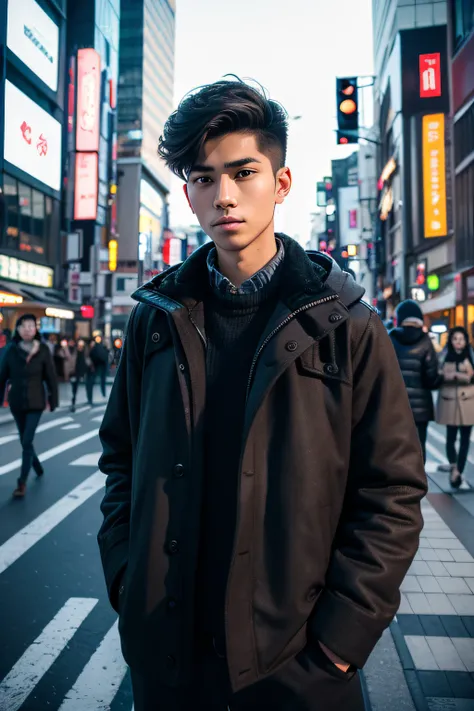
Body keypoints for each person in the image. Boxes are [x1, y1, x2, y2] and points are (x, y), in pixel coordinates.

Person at [97, 79, 426, 711]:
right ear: (188, 192)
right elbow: (121, 460)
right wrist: (127, 578)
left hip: (297, 664)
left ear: (281, 183)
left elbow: (391, 490)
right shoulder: (156, 319)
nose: (223, 195)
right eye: (202, 177)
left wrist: (339, 640)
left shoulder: (346, 322)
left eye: (243, 172)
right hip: (170, 658)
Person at [0, 313, 58, 498]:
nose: (28, 329)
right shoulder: (11, 349)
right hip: (17, 401)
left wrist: (53, 399)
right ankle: (37, 467)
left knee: (26, 440)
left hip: (35, 401)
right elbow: (2, 376)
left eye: (31, 326)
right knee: (25, 440)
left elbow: (51, 377)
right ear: (18, 329)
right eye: (24, 326)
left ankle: (22, 482)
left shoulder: (42, 350)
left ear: (36, 329)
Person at [389, 300, 440, 463]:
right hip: (420, 409)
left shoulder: (391, 339)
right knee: (419, 448)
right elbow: (432, 380)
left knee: (396, 448)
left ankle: (398, 484)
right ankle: (418, 484)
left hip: (395, 406)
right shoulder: (426, 342)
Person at [436, 326, 474, 488]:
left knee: (465, 439)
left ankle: (458, 470)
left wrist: (464, 376)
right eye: (455, 339)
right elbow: (436, 372)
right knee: (450, 438)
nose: (459, 342)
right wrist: (450, 375)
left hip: (468, 401)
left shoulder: (471, 354)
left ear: (466, 341)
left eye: (461, 339)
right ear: (450, 340)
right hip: (449, 400)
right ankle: (453, 466)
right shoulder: (444, 354)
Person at [70, 339, 93, 411]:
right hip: (75, 372)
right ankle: (73, 402)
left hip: (84, 372)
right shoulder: (74, 353)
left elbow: (88, 361)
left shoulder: (85, 353)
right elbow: (71, 361)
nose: (80, 347)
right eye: (79, 345)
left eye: (81, 345)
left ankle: (89, 400)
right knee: (74, 388)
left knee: (87, 386)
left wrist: (91, 366)